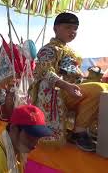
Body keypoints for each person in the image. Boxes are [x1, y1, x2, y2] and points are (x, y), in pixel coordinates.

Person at [29, 12, 108, 152]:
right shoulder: (49, 49)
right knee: (97, 88)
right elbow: (45, 72)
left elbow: (75, 76)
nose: (72, 32)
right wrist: (66, 85)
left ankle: (79, 131)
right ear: (55, 29)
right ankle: (79, 132)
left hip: (71, 90)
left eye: (75, 28)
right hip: (58, 92)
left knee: (102, 87)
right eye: (68, 27)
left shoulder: (71, 52)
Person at [0, 105, 53, 173]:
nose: (35, 144)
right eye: (30, 136)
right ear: (13, 128)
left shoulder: (16, 149)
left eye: (38, 137)